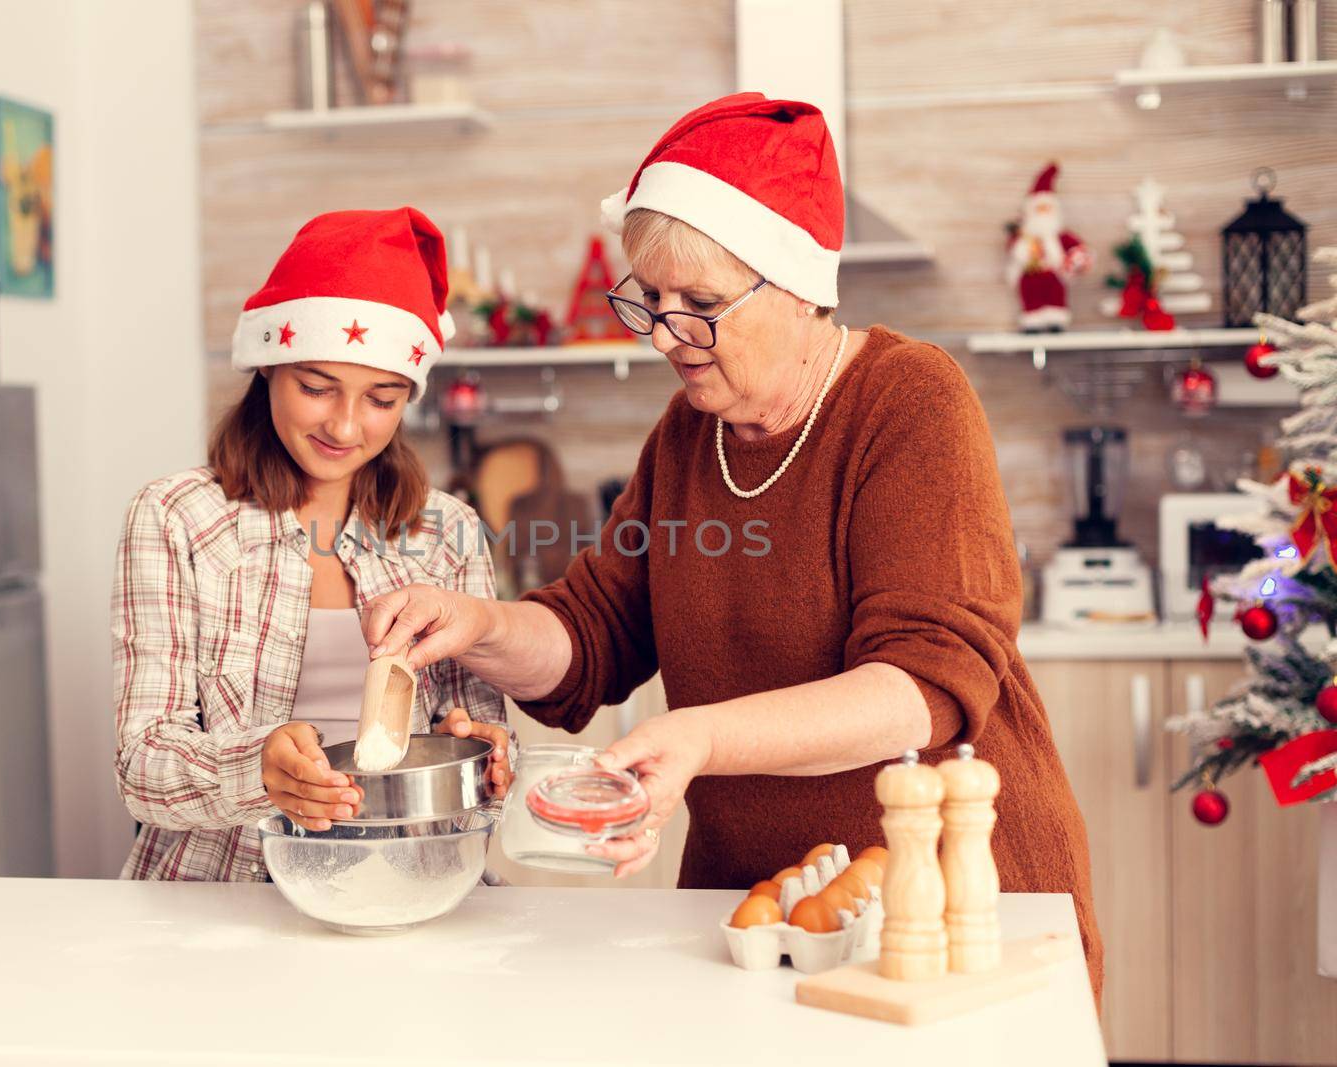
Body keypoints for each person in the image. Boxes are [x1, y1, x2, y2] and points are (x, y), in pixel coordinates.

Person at [362, 94, 1103, 999]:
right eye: (651, 301)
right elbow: (593, 637)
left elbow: (923, 689)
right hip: (754, 910)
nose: (669, 337)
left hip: (936, 902)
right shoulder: (687, 434)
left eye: (702, 303)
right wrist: (474, 623)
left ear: (797, 287)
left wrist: (700, 736)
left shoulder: (910, 402)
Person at [113, 207, 508, 881]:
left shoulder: (449, 532)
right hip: (216, 891)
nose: (346, 423)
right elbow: (142, 764)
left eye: (382, 399)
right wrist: (257, 769)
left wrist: (489, 752)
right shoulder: (176, 517)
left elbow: (477, 729)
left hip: (410, 883)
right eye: (317, 387)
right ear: (268, 366)